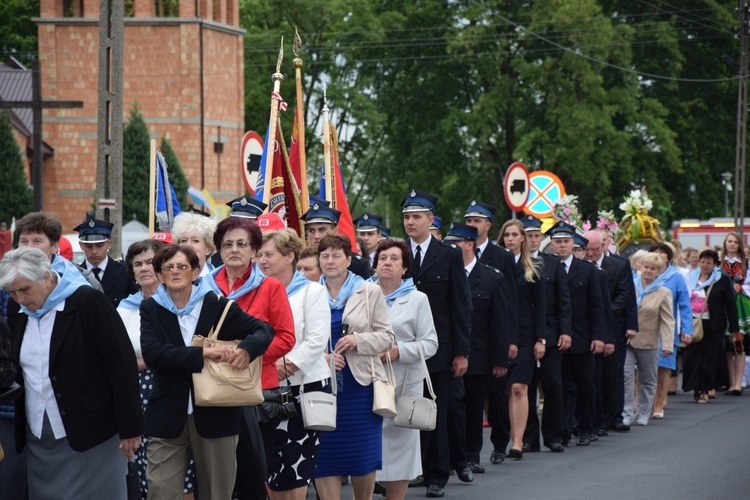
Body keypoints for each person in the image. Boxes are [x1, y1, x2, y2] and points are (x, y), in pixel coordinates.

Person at [1, 247, 142, 498]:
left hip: (93, 430)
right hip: (39, 431)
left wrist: (131, 426)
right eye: (12, 292)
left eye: (24, 289)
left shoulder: (87, 301)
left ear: (46, 277)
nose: (19, 299)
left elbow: (121, 364)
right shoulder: (18, 310)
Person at [139, 244, 274, 500]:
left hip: (217, 415)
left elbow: (264, 330)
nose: (175, 272)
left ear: (196, 271)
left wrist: (246, 350)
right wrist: (202, 353)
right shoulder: (151, 308)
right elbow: (153, 354)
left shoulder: (218, 306)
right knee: (160, 491)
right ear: (159, 274)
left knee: (217, 494)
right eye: (168, 267)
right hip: (167, 415)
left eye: (182, 266)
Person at [209, 217, 296, 499]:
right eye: (227, 244)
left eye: (242, 244)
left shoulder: (270, 287)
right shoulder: (203, 286)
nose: (234, 250)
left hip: (257, 388)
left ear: (255, 250)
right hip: (210, 387)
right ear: (219, 250)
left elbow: (285, 337)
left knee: (252, 476)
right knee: (215, 476)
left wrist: (249, 356)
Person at [401, 190, 472, 498]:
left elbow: (460, 306)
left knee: (435, 413)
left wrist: (461, 352)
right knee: (405, 412)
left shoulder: (448, 255)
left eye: (416, 216)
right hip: (402, 349)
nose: (410, 222)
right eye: (406, 217)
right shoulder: (396, 252)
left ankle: (437, 475)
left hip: (438, 350)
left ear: (430, 220)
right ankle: (415, 469)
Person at [314, 234, 395, 500]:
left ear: (349, 260)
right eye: (324, 255)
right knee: (324, 458)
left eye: (336, 255)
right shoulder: (309, 291)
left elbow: (387, 337)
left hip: (360, 387)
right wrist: (324, 358)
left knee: (362, 457)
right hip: (321, 386)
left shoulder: (369, 291)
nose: (330, 260)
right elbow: (300, 339)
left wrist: (357, 340)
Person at [117, 239, 198, 498]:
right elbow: (116, 357)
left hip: (176, 390)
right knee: (148, 470)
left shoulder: (184, 301)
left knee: (185, 471)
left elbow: (182, 351)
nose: (143, 268)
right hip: (137, 393)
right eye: (137, 264)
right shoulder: (123, 308)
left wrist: (144, 361)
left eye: (150, 262)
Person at [255, 229, 331, 499]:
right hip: (263, 388)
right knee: (269, 464)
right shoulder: (255, 291)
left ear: (289, 257)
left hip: (303, 387)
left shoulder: (312, 291)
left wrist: (283, 367)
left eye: (269, 254)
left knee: (296, 463)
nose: (262, 260)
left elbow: (316, 340)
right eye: (259, 254)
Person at [438, 223, 508, 472]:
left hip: (479, 354)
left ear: (470, 244)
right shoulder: (443, 273)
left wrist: (500, 359)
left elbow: (500, 322)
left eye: (456, 243)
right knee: (452, 408)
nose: (451, 247)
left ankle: (471, 455)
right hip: (449, 353)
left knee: (474, 406)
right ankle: (449, 456)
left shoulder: (491, 277)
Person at [372, 239, 438, 500]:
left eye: (394, 259)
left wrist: (400, 351)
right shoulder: (363, 292)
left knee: (400, 451)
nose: (387, 262)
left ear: (405, 268)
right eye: (382, 258)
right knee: (367, 447)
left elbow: (430, 343)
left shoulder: (417, 299)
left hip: (404, 385)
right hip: (369, 382)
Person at [546, 222, 605, 446]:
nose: (562, 246)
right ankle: (562, 429)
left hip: (582, 337)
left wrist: (599, 336)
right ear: (551, 244)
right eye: (558, 242)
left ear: (574, 244)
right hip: (557, 338)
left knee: (585, 383)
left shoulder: (587, 269)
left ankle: (586, 426)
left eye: (566, 241)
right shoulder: (548, 266)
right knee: (560, 386)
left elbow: (597, 306)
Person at [521, 215, 571, 454]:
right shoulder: (516, 262)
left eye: (536, 236)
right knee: (526, 387)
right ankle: (530, 437)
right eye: (528, 236)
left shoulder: (552, 263)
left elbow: (563, 301)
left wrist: (566, 332)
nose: (532, 240)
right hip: (524, 334)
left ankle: (553, 435)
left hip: (550, 333)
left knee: (553, 384)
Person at [498, 220, 544, 459]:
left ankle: (518, 441)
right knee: (503, 389)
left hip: (526, 336)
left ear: (523, 238)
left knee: (519, 388)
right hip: (500, 334)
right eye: (507, 235)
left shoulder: (533, 266)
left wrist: (540, 339)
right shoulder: (495, 263)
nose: (511, 239)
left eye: (515, 235)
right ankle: (505, 438)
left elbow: (540, 307)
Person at [623, 253, 675, 426]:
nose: (648, 271)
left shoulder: (663, 292)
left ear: (658, 272)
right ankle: (627, 412)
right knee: (626, 376)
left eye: (653, 268)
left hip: (649, 341)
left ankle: (644, 412)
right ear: (640, 267)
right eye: (646, 267)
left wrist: (667, 344)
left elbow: (668, 320)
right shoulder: (630, 285)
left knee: (647, 379)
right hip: (627, 339)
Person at [683, 249, 738, 403]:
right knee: (692, 358)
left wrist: (734, 329)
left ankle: (705, 390)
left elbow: (730, 304)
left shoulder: (721, 279)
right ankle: (696, 388)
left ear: (715, 264)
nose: (705, 265)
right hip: (693, 323)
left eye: (709, 262)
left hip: (714, 325)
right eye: (703, 261)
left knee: (709, 358)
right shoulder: (690, 277)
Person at [648, 243, 692, 418]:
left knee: (663, 367)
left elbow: (685, 306)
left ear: (669, 256)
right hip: (645, 329)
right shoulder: (643, 274)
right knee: (643, 369)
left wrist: (686, 330)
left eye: (662, 252)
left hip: (666, 328)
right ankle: (644, 402)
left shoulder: (676, 277)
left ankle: (660, 402)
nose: (658, 255)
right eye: (655, 251)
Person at [15, 212, 102, 292]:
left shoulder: (80, 281)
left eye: (37, 241)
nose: (29, 247)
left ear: (54, 247)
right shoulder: (7, 278)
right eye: (24, 241)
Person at [301, 199, 371, 279]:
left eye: (322, 230)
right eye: (311, 231)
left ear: (335, 231)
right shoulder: (300, 262)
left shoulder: (356, 264)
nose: (316, 236)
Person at [74, 217, 136, 306]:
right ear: (81, 245)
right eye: (88, 246)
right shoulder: (75, 274)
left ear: (109, 244)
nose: (94, 251)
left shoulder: (125, 272)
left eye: (99, 245)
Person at [719, 232, 750, 395]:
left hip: (740, 304)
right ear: (725, 244)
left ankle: (738, 383)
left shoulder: (746, 264)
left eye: (735, 242)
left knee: (740, 343)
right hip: (723, 305)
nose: (731, 244)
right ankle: (731, 383)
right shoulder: (719, 263)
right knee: (727, 347)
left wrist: (741, 288)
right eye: (729, 241)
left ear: (739, 245)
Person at [172, 211, 218, 277]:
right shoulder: (170, 278)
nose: (188, 245)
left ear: (208, 249)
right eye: (184, 240)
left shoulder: (217, 281)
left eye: (195, 241)